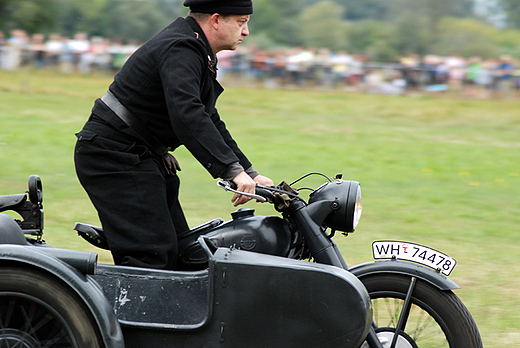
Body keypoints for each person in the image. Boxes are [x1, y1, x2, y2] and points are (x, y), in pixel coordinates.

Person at [74, 0, 273, 270]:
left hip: (137, 155)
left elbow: (207, 116)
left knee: (183, 250)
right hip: (114, 155)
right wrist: (231, 170)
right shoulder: (182, 47)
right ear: (216, 20)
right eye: (241, 22)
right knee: (151, 254)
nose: (246, 31)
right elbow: (187, 114)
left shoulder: (196, 48)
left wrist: (247, 171)